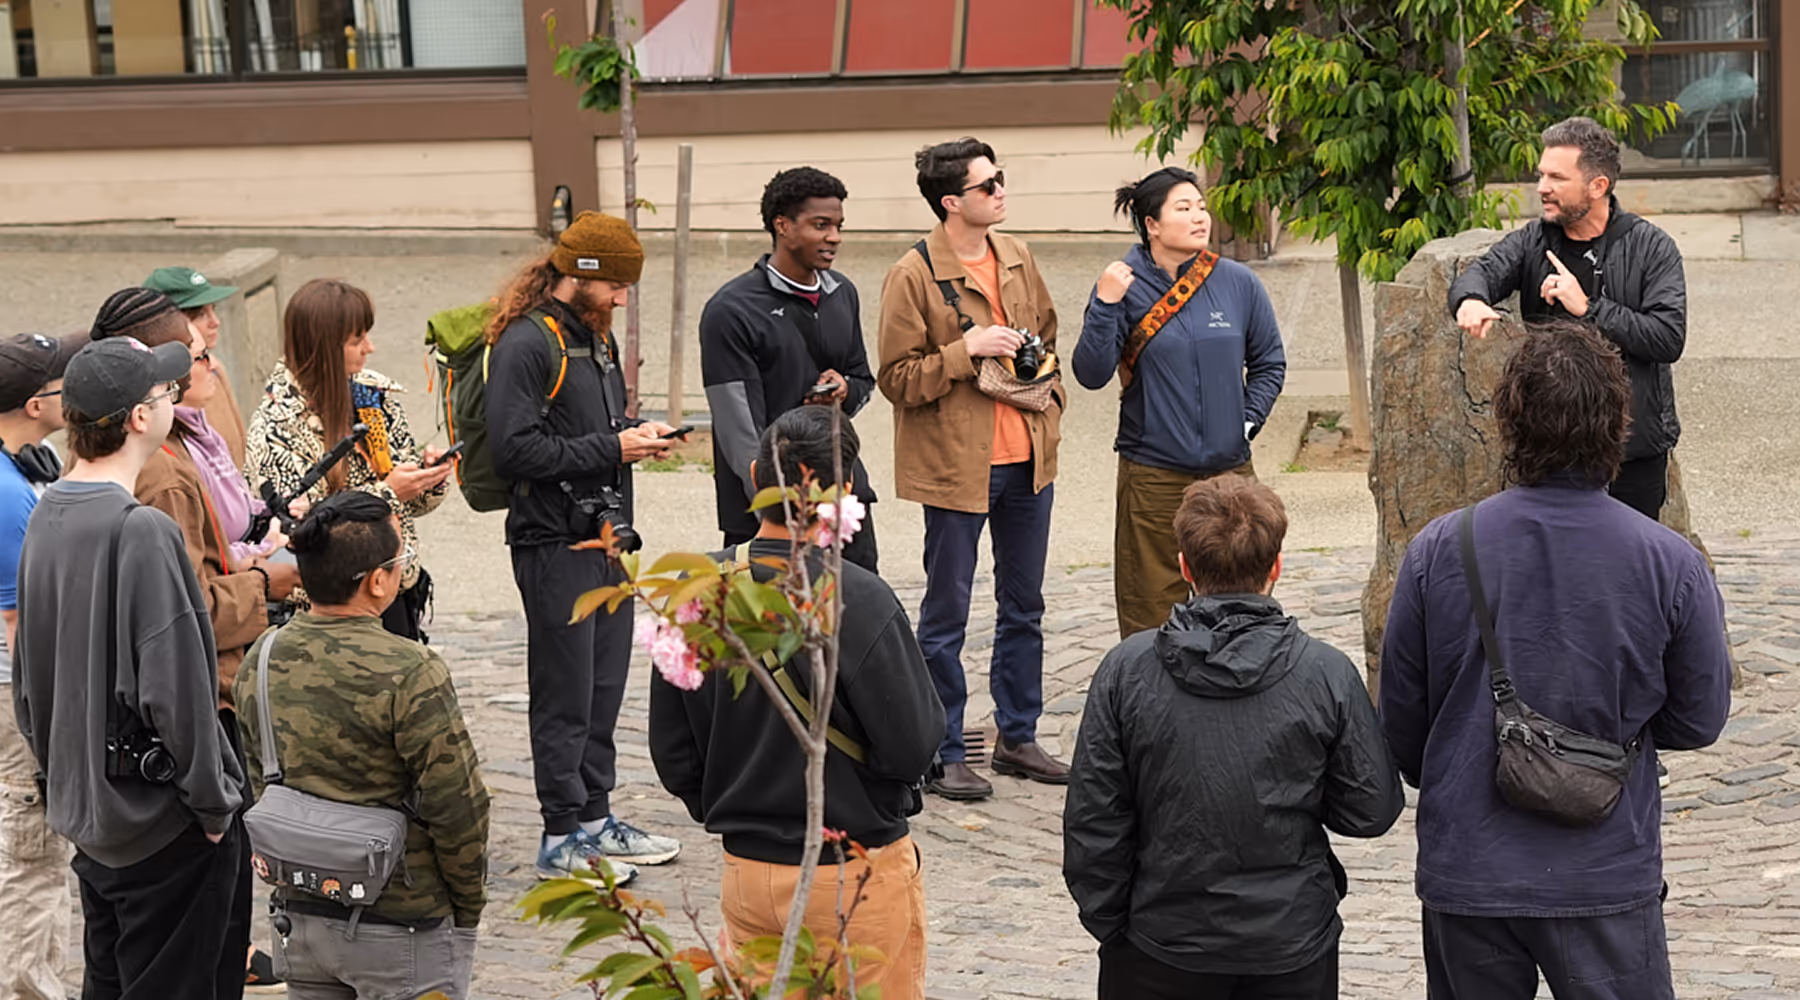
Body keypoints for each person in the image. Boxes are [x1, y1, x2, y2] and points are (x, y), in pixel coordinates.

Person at [1380, 321, 1732, 1000]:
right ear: (1616, 426)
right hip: (1603, 868)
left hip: (1471, 866)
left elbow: (1403, 728)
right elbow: (1700, 718)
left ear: (1510, 421)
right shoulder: (1669, 563)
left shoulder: (1438, 550)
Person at [1064, 475, 1402, 999]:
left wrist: (1116, 928)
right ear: (1276, 567)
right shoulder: (1324, 673)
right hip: (1286, 943)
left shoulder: (1127, 671)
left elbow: (1094, 821)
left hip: (1164, 943)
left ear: (1183, 566)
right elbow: (1370, 809)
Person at [650, 405, 943, 999]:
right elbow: (914, 746)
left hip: (746, 873)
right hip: (851, 874)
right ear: (850, 489)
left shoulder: (699, 592)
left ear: (755, 477)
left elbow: (674, 753)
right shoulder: (858, 600)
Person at [12, 336, 246, 999]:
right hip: (161, 826)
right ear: (139, 418)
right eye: (163, 392)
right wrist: (211, 806)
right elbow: (177, 693)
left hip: (92, 819)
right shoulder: (141, 530)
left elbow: (28, 685)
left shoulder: (46, 509)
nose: (173, 399)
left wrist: (72, 785)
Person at [90, 287, 298, 993]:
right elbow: (188, 622)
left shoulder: (168, 455)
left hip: (134, 761)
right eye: (197, 357)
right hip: (190, 727)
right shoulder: (163, 475)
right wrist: (271, 581)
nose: (207, 369)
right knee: (190, 952)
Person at [484, 211, 683, 882]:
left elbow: (584, 429)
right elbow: (514, 448)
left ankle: (596, 820)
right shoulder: (526, 344)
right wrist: (612, 445)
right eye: (618, 285)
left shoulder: (592, 340)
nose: (624, 299)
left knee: (602, 692)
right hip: (551, 544)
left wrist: (633, 432)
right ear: (583, 276)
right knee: (564, 696)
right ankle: (559, 835)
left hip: (604, 539)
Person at [237, 491, 490, 1000]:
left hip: (302, 912)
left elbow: (258, 778)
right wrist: (465, 909)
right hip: (402, 922)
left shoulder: (264, 656)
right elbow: (458, 807)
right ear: (378, 580)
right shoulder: (412, 669)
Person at [877, 137, 1068, 802]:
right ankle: (944, 749)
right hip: (959, 468)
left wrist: (1052, 401)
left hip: (1028, 462)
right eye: (990, 185)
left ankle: (1018, 737)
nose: (1002, 191)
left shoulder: (1016, 255)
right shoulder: (912, 274)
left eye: (1001, 179)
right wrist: (966, 350)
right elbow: (897, 380)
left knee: (1025, 608)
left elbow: (1046, 332)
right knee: (946, 614)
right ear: (953, 201)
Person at [1072, 166, 1287, 638]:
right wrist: (1106, 305)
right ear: (1151, 224)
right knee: (1150, 611)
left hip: (1231, 475)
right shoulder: (1121, 284)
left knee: (1243, 602)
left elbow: (1269, 362)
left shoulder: (1236, 282)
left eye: (1202, 207)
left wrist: (1246, 423)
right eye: (1184, 208)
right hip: (1153, 474)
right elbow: (1089, 374)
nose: (1199, 217)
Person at [1448, 116, 1686, 519]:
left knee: (1627, 574)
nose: (1542, 188)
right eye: (1542, 175)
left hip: (1632, 452)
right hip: (1548, 453)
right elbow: (1483, 272)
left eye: (1557, 178)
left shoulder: (1652, 247)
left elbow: (1667, 337)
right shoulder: (1533, 240)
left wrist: (1588, 308)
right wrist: (1469, 299)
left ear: (1598, 186)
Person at [245, 277, 450, 641]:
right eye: (356, 340)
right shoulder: (276, 425)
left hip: (390, 587)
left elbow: (410, 504)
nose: (370, 348)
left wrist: (428, 478)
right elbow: (298, 531)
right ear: (323, 347)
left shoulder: (373, 396)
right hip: (327, 612)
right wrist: (387, 494)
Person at [701, 166, 880, 572]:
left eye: (838, 225)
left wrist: (844, 390)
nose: (834, 237)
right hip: (769, 517)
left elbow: (863, 379)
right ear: (782, 225)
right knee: (776, 633)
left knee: (856, 624)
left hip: (845, 500)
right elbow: (739, 433)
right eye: (821, 225)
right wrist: (780, 516)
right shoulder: (730, 311)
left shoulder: (842, 292)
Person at [0, 330, 82, 1000]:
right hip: (16, 698)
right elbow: (22, 626)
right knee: (32, 853)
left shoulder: (21, 470)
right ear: (35, 403)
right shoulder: (9, 497)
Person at [143, 265, 248, 466]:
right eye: (200, 314)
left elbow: (240, 448)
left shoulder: (215, 369)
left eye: (213, 310)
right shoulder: (154, 397)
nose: (215, 321)